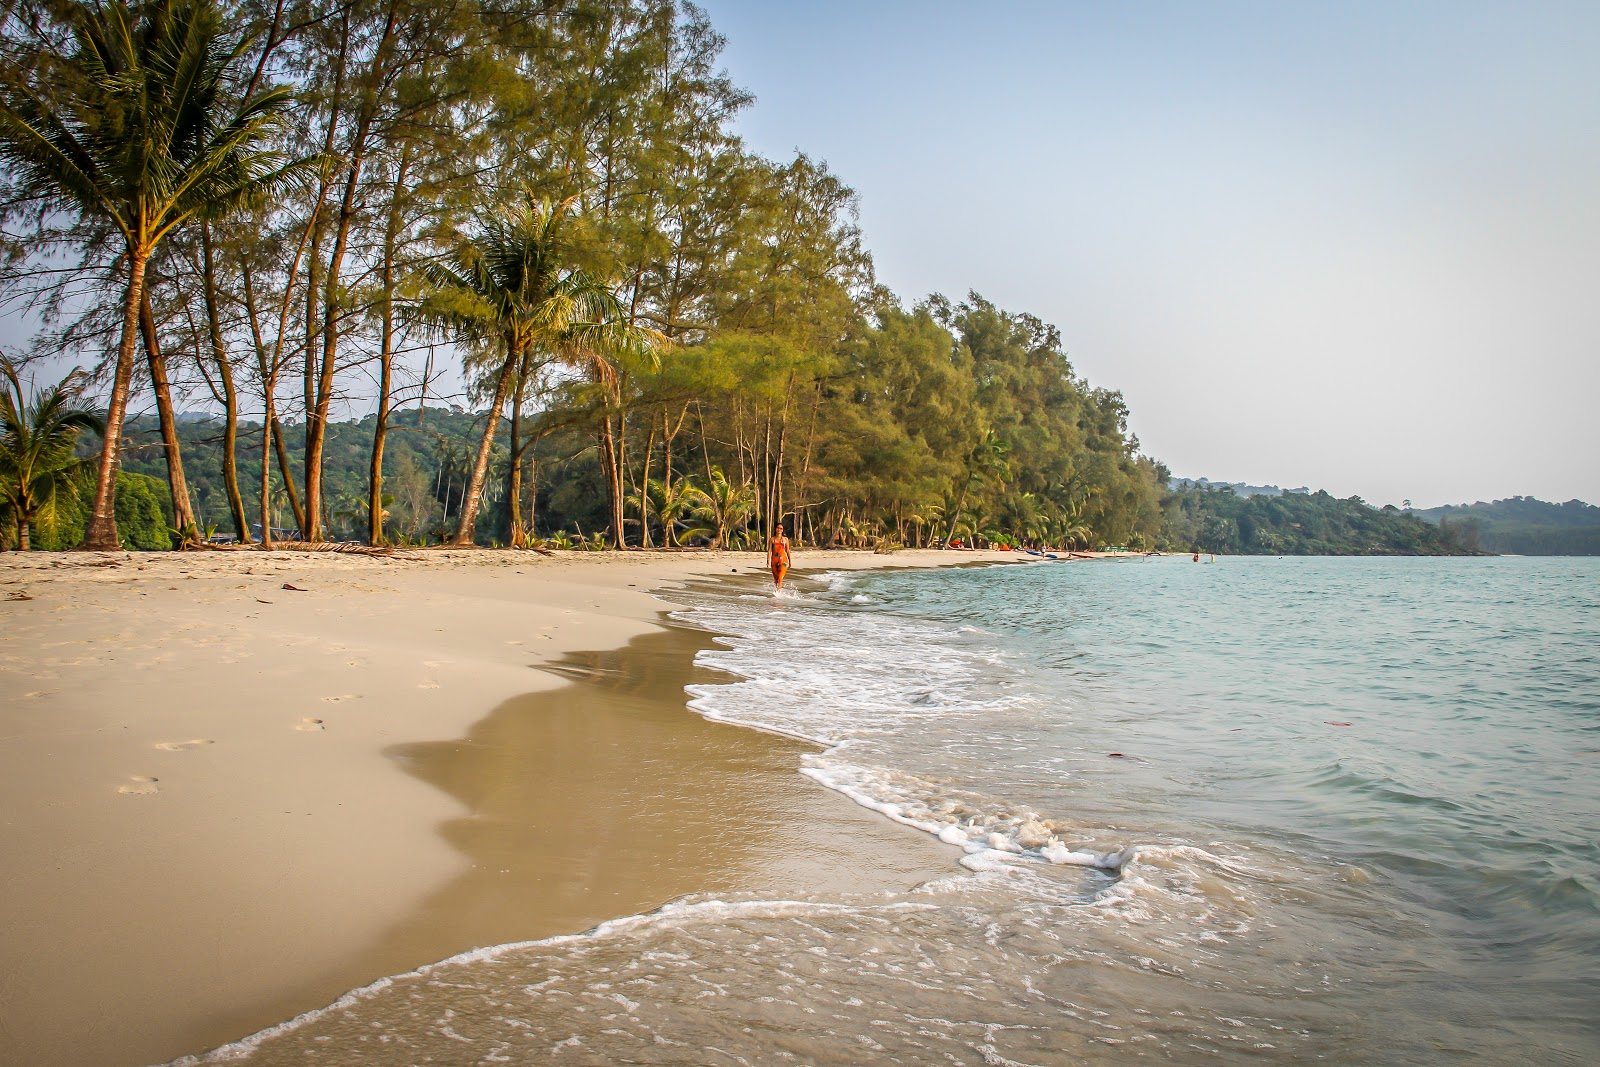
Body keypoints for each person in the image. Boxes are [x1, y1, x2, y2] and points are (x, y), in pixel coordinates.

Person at [768, 526, 792, 591]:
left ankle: (779, 593)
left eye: (781, 528)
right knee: (776, 579)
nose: (779, 529)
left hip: (784, 561)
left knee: (780, 578)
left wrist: (790, 561)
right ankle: (777, 592)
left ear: (782, 530)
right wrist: (768, 560)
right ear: (775, 529)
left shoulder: (785, 539)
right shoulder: (772, 539)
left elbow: (787, 550)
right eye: (778, 528)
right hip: (774, 561)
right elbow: (769, 550)